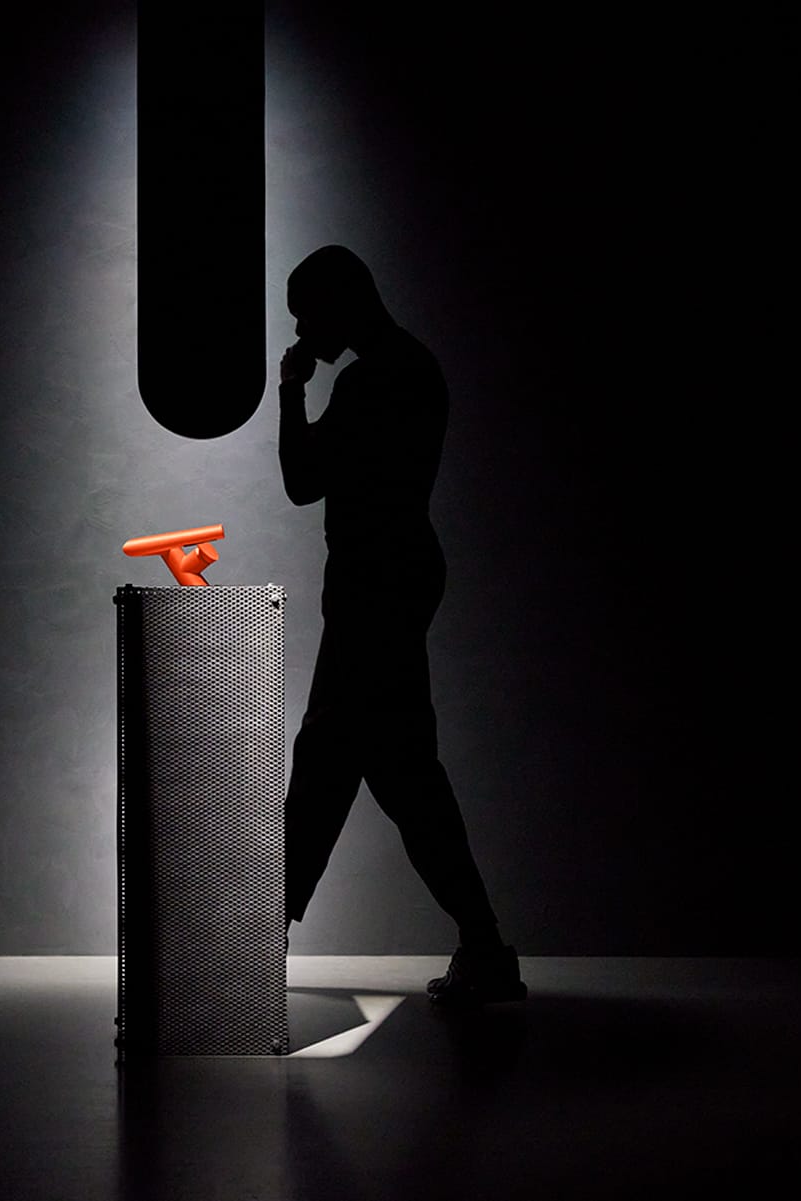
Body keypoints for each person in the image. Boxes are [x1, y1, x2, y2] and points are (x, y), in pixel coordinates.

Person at [277, 244, 525, 1004]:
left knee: (346, 763)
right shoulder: (415, 367)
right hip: (400, 576)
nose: (299, 328)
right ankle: (483, 945)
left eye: (304, 311)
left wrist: (291, 392)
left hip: (371, 587)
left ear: (338, 301)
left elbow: (301, 481)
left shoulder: (367, 380)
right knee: (385, 768)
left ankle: (256, 935)